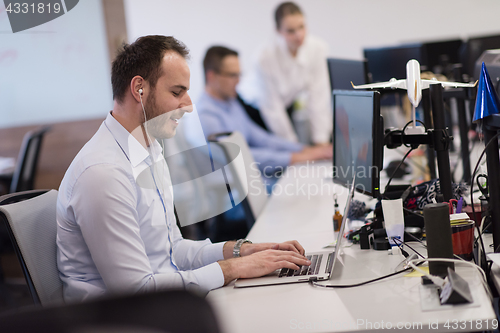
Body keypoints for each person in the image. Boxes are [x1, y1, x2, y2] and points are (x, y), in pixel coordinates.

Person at [56, 35, 311, 303]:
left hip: (163, 303)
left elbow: (171, 250)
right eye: (177, 92)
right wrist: (232, 269)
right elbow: (135, 293)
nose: (189, 106)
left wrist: (242, 251)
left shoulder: (149, 149)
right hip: (122, 319)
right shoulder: (103, 173)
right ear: (139, 89)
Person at [197, 46, 332, 176]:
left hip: (254, 177)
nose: (238, 81)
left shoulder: (231, 103)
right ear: (212, 76)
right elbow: (238, 156)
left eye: (239, 75)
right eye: (233, 75)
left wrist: (305, 150)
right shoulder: (206, 115)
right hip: (237, 189)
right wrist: (297, 157)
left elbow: (262, 139)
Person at [239, 2, 332, 145]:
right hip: (254, 108)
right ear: (278, 31)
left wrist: (321, 140)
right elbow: (272, 109)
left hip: (285, 103)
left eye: (301, 27)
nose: (298, 35)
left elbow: (318, 97)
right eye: (290, 30)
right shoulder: (264, 57)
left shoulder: (318, 49)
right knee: (279, 154)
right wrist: (295, 148)